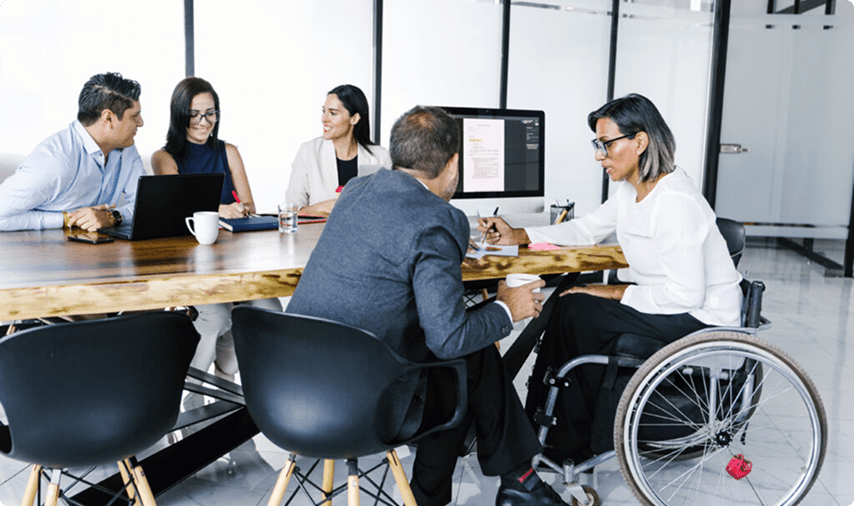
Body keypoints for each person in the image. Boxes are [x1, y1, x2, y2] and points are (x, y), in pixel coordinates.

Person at [287, 105, 572, 506]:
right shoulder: (439, 218)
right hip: (358, 406)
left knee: (463, 359)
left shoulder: (355, 191)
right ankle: (505, 485)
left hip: (288, 390)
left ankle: (514, 482)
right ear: (454, 164)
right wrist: (507, 307)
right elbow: (449, 338)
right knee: (463, 358)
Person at [478, 93, 743, 462]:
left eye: (606, 145)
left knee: (576, 311)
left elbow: (686, 296)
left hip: (702, 318)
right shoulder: (631, 191)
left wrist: (611, 292)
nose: (599, 156)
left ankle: (563, 440)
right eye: (597, 145)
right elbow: (586, 230)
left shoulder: (673, 201)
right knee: (568, 306)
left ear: (640, 142)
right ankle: (537, 431)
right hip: (667, 301)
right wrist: (519, 235)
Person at [151, 77, 281, 382]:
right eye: (194, 114)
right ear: (179, 114)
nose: (203, 121)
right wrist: (221, 210)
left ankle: (225, 390)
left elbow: (248, 204)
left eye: (210, 113)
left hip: (234, 262)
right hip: (191, 266)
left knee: (269, 308)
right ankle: (192, 391)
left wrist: (241, 209)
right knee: (218, 317)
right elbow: (176, 210)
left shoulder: (229, 151)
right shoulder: (164, 157)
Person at [0, 72, 145, 232]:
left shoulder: (126, 148)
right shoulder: (56, 160)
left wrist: (112, 217)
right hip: (46, 251)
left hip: (100, 250)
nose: (141, 123)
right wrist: (68, 219)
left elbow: (148, 206)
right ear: (108, 118)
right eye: (134, 116)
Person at [285, 84, 391, 216]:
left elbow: (392, 208)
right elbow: (290, 211)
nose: (324, 118)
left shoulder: (380, 157)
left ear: (354, 118)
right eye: (324, 111)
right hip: (318, 235)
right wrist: (321, 207)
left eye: (333, 113)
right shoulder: (309, 152)